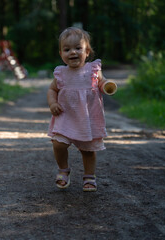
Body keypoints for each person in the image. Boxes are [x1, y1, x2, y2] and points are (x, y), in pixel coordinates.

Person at [47, 27, 110, 191]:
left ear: (87, 51)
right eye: (67, 49)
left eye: (78, 48)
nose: (72, 52)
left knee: (87, 150)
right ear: (61, 54)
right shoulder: (61, 73)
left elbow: (101, 83)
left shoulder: (93, 70)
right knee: (58, 143)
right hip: (65, 116)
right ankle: (63, 169)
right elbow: (52, 90)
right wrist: (53, 103)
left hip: (86, 118)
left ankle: (89, 176)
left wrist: (107, 86)